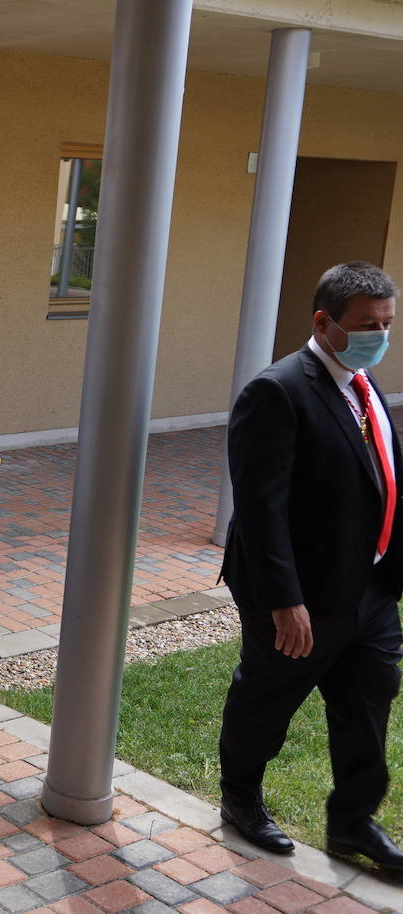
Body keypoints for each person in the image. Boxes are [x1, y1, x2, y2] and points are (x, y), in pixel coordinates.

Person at [219, 262, 403, 870]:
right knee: (267, 699)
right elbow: (260, 507)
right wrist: (283, 600)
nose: (379, 335)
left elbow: (379, 474)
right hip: (303, 595)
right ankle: (240, 799)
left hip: (370, 590)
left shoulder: (363, 383)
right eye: (366, 325)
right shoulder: (277, 391)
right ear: (323, 322)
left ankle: (353, 823)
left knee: (369, 702)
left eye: (387, 323)